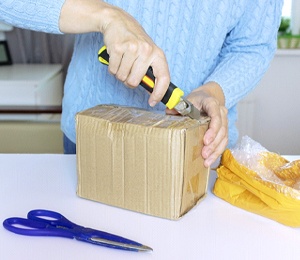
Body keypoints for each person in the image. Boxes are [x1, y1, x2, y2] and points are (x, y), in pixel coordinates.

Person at [0, 0, 283, 167]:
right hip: (92, 143)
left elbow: (253, 46)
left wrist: (214, 91)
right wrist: (107, 16)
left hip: (196, 149)